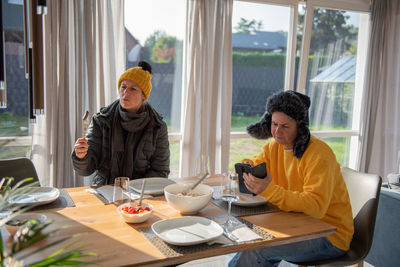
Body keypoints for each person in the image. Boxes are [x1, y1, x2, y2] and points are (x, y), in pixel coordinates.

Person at [229, 90, 354, 267]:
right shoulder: (274, 147)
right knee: (247, 238)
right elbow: (258, 162)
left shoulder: (319, 154)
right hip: (294, 223)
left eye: (285, 126)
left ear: (300, 127)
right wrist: (246, 167)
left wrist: (269, 189)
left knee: (259, 249)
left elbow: (316, 207)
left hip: (328, 235)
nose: (277, 132)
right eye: (274, 124)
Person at [72, 61, 170, 185]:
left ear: (143, 96)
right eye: (123, 87)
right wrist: (81, 157)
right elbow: (86, 169)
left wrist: (134, 190)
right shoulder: (101, 120)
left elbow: (160, 171)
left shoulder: (157, 127)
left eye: (133, 89)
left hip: (139, 195)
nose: (125, 93)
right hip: (104, 190)